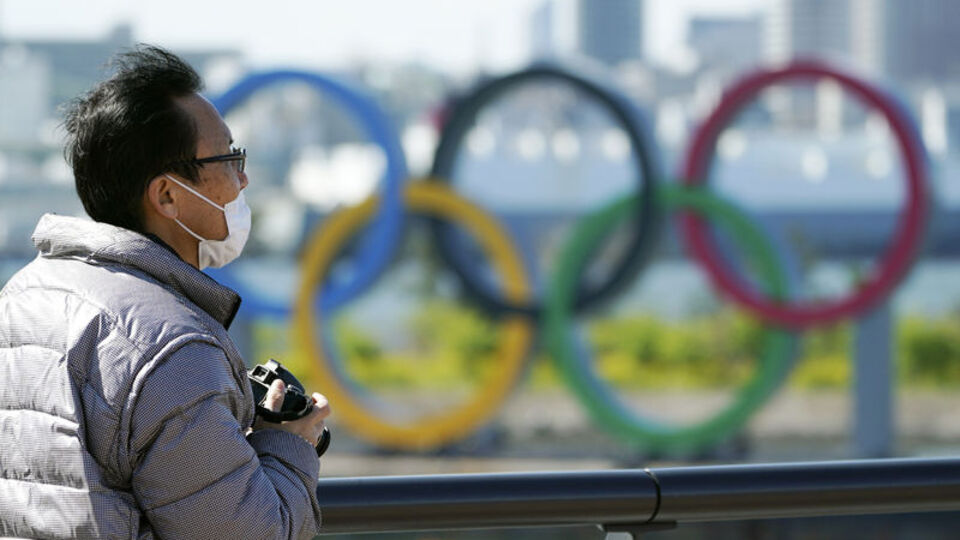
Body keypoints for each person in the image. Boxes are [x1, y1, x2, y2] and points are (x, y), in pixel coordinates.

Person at [0, 45, 329, 539]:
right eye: (228, 158)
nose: (244, 177)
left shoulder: (25, 293)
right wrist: (287, 443)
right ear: (168, 196)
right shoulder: (169, 345)